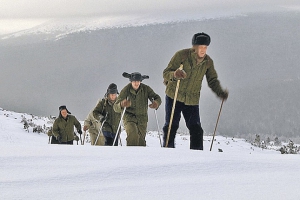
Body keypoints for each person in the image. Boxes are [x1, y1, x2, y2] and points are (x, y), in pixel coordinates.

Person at [162, 32, 228, 150]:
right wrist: (175, 74)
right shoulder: (181, 56)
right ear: (194, 47)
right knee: (171, 127)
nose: (203, 50)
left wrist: (220, 92)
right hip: (174, 96)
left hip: (192, 100)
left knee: (196, 129)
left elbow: (212, 80)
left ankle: (197, 158)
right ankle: (167, 153)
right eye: (200, 47)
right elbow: (166, 73)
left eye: (205, 47)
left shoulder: (207, 62)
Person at [113, 72, 162, 146]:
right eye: (134, 81)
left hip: (142, 118)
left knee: (141, 141)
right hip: (129, 117)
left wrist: (156, 103)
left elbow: (157, 97)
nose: (136, 83)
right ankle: (131, 155)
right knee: (133, 134)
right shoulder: (126, 90)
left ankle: (141, 156)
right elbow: (115, 107)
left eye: (138, 81)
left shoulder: (146, 89)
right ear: (131, 81)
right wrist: (122, 104)